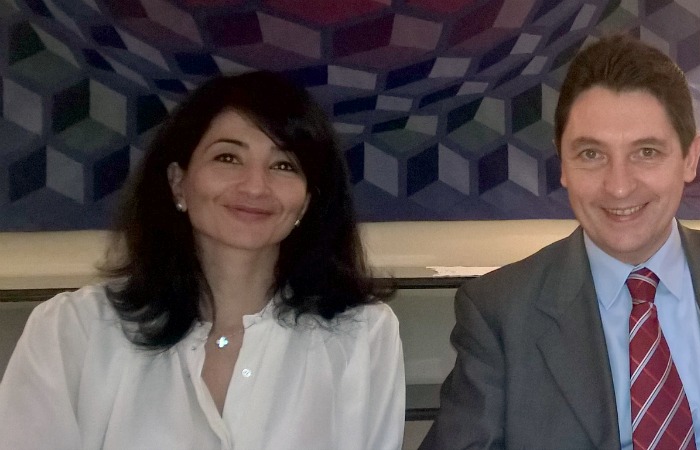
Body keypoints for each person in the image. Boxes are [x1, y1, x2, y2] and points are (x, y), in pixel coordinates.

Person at [421, 34, 700, 449]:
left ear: (690, 158)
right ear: (562, 163)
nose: (618, 187)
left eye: (647, 152)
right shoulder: (498, 313)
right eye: (591, 154)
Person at [0, 71, 405, 449]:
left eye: (284, 165)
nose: (255, 186)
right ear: (179, 182)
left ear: (307, 199)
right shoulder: (73, 331)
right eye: (228, 158)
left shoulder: (363, 335)